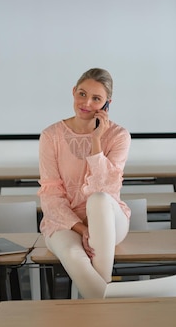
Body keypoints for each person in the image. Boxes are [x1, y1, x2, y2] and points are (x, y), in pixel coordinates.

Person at [38, 67, 131, 299]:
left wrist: (96, 141)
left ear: (107, 104)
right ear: (73, 92)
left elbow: (105, 190)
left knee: (99, 199)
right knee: (71, 252)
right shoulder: (51, 136)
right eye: (82, 94)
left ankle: (102, 298)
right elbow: (50, 194)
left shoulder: (119, 136)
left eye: (96, 98)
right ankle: (108, 310)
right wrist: (82, 229)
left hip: (109, 219)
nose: (86, 102)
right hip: (65, 222)